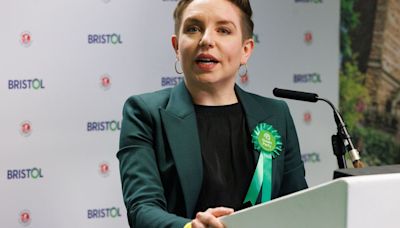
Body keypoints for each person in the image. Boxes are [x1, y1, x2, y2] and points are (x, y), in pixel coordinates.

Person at [117, 0, 308, 227]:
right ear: (177, 47)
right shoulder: (144, 113)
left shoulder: (276, 114)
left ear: (245, 50)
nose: (206, 40)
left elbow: (298, 204)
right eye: (193, 29)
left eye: (223, 30)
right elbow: (142, 208)